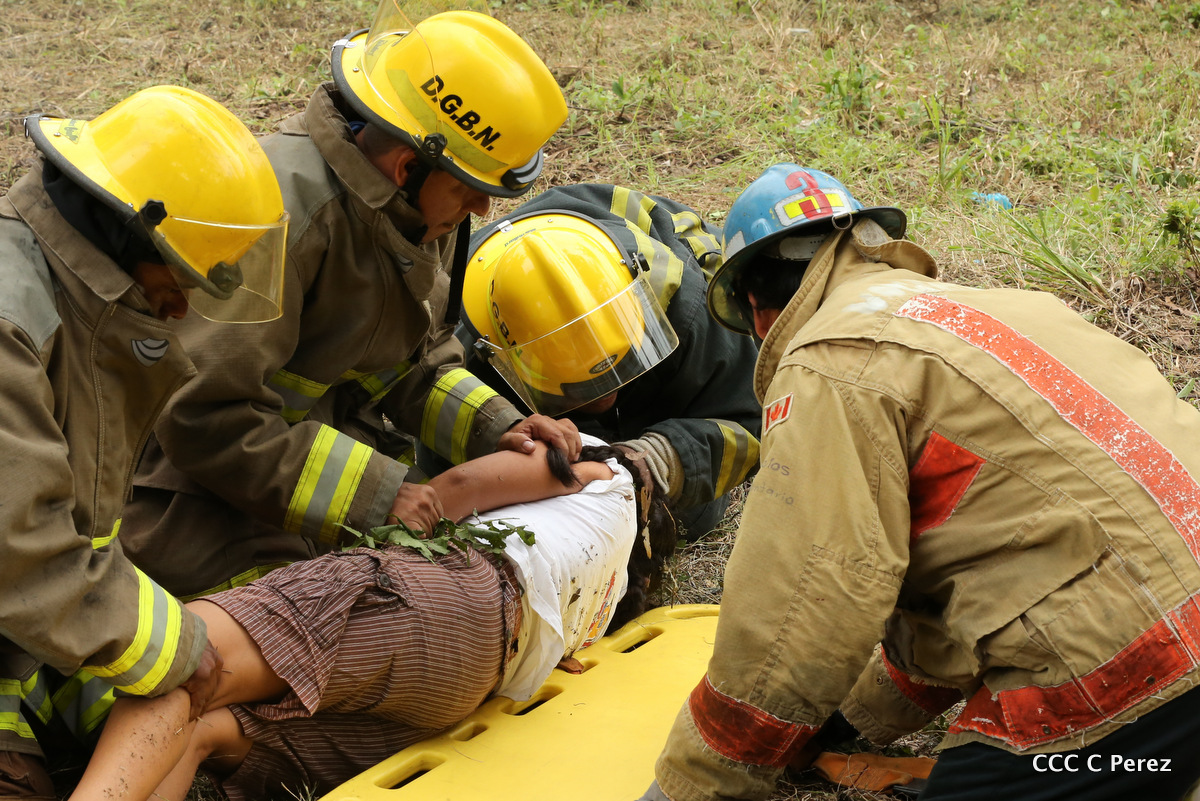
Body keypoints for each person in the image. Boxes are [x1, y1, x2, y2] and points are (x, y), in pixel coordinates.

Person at [640, 164, 1200, 801]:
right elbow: (991, 566)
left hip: (1132, 671)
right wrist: (854, 721)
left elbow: (808, 595)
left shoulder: (829, 361)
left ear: (755, 308)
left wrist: (693, 781)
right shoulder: (1010, 308)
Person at [120, 4, 580, 604]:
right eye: (471, 189)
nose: (481, 211)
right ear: (407, 166)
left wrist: (500, 428)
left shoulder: (414, 209)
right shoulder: (283, 225)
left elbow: (410, 365)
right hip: (192, 488)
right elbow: (200, 416)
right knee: (311, 621)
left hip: (302, 458)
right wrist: (376, 497)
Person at [67, 438, 677, 801]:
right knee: (205, 727)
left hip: (454, 593)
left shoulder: (605, 470)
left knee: (187, 658)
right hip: (466, 685)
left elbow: (459, 487)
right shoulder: (608, 591)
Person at [0, 85, 289, 800]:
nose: (184, 308)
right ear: (129, 234)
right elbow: (20, 550)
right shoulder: (10, 324)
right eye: (181, 275)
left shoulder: (70, 296)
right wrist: (180, 648)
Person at [456, 183, 762, 538]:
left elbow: (751, 418)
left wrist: (658, 461)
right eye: (581, 390)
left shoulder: (682, 300)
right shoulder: (471, 349)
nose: (606, 398)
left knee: (692, 515)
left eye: (620, 371)